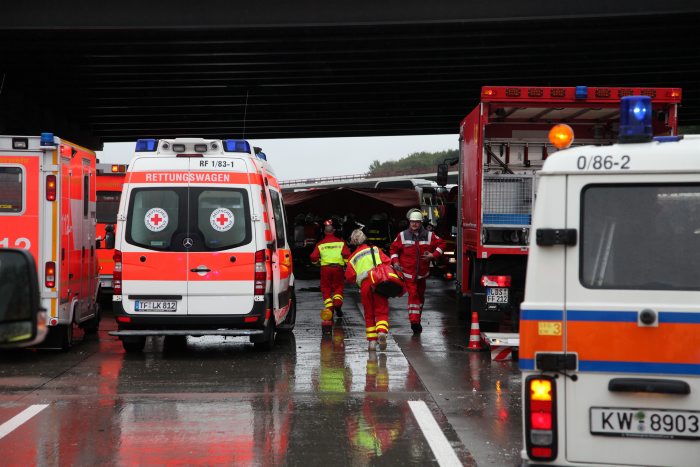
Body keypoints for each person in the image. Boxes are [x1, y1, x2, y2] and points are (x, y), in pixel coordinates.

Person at [389, 208, 445, 334]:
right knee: (413, 295)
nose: (414, 224)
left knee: (420, 298)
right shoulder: (402, 235)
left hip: (422, 275)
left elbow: (442, 244)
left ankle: (417, 320)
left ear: (421, 223)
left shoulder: (429, 236)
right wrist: (396, 262)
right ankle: (414, 322)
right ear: (409, 222)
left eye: (417, 222)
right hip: (408, 274)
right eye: (412, 222)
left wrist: (433, 255)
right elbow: (393, 250)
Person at [345, 229, 391, 351]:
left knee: (369, 314)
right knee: (381, 311)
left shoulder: (352, 258)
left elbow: (349, 278)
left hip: (365, 287)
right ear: (364, 238)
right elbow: (387, 262)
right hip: (378, 284)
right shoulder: (375, 250)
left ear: (353, 242)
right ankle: (381, 332)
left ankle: (371, 342)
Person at [310, 219, 351, 332]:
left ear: (324, 231)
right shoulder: (340, 242)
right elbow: (347, 254)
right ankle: (337, 304)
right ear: (333, 231)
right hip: (338, 269)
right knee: (338, 288)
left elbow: (313, 257)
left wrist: (316, 263)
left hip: (325, 269)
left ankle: (329, 309)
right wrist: (347, 265)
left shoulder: (320, 244)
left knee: (326, 289)